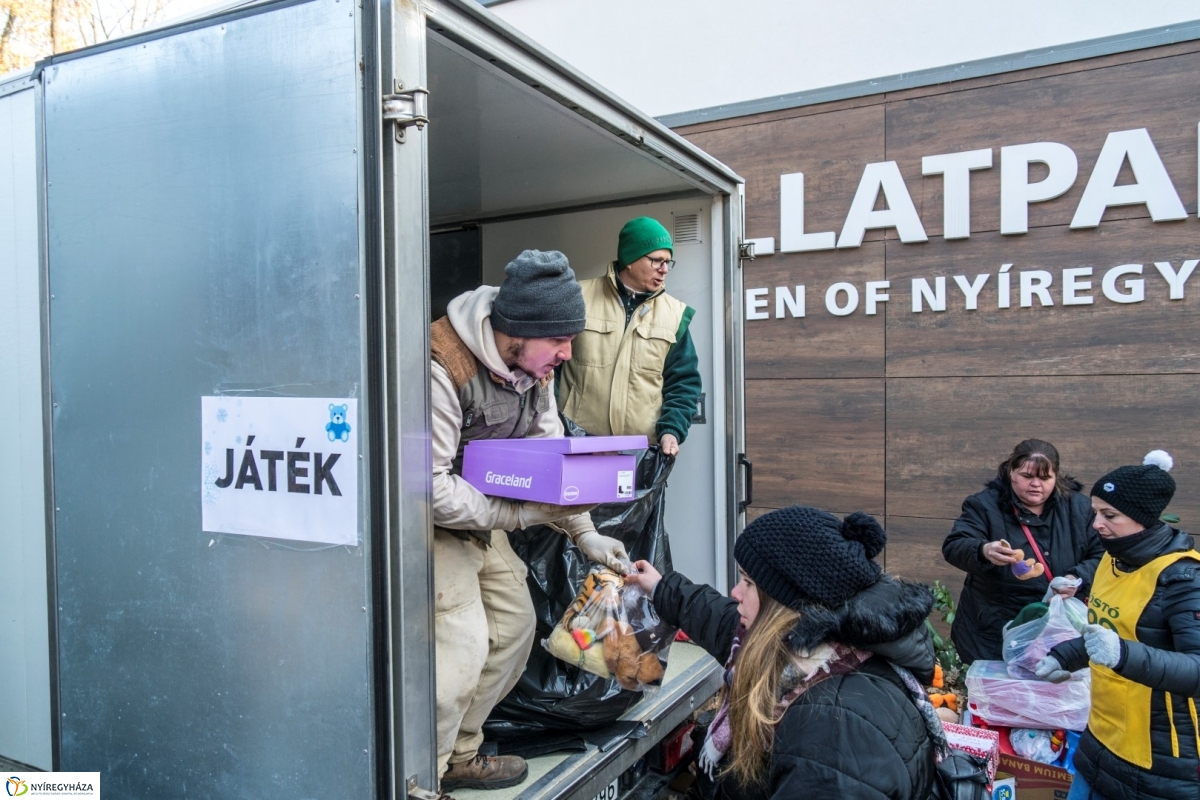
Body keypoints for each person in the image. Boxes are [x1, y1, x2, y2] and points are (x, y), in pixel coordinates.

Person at [430, 249, 631, 792]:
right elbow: (428, 488)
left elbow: (550, 463)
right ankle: (419, 775)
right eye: (559, 340)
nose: (568, 354)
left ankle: (459, 755)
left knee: (514, 630)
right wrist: (518, 515)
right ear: (516, 331)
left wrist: (586, 533)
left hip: (484, 517)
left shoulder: (534, 371)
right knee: (462, 645)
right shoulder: (442, 366)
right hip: (427, 523)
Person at [624, 505, 939, 799]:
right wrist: (662, 588)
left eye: (748, 582)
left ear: (787, 606)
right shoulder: (811, 651)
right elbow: (719, 619)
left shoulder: (829, 728)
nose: (735, 592)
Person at [1034, 450, 1200, 800]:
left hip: (1159, 760)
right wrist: (1066, 656)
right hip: (1101, 737)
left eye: (1109, 515)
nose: (1097, 524)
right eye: (1095, 513)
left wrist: (1122, 654)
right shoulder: (1111, 561)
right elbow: (1109, 631)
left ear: (1144, 519)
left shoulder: (1184, 579)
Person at [943, 439, 1104, 664]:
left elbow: (1103, 555)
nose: (1036, 484)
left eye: (1045, 478)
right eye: (1027, 476)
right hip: (994, 627)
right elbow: (954, 545)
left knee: (1055, 680)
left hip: (1059, 627)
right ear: (1011, 471)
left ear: (1056, 477)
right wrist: (984, 550)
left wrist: (1076, 578)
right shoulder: (983, 505)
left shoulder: (1079, 507)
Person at [556, 216, 701, 457]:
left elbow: (683, 383)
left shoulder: (674, 316)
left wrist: (672, 430)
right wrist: (554, 425)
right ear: (630, 259)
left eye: (668, 262)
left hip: (640, 453)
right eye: (657, 260)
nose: (664, 269)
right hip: (577, 446)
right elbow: (549, 368)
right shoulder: (578, 298)